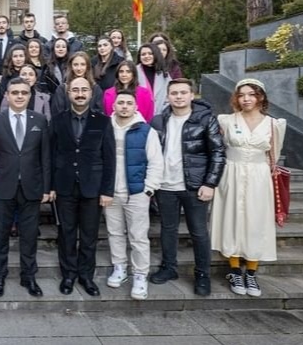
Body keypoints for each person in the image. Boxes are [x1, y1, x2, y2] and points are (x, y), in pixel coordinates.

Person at [149, 78, 226, 296]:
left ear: (192, 95)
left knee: (199, 232)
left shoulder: (206, 119)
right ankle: (169, 268)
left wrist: (210, 183)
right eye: (174, 93)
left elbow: (218, 153)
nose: (179, 97)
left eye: (183, 92)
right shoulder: (158, 121)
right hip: (165, 185)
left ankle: (202, 275)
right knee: (168, 229)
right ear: (168, 97)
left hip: (194, 185)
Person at [210, 78, 286, 297]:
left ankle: (251, 272)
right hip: (231, 174)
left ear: (260, 97)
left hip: (259, 176)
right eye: (242, 95)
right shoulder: (226, 121)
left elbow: (274, 155)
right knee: (231, 220)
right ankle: (234, 270)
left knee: (256, 222)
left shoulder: (273, 124)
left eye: (251, 94)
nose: (246, 99)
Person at [0, 77, 51, 298]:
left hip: (32, 187)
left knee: (29, 236)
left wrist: (46, 188)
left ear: (30, 95)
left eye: (24, 92)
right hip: (3, 186)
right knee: (0, 235)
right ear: (7, 95)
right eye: (15, 92)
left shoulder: (40, 120)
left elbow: (45, 157)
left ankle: (29, 276)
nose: (20, 96)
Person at [52, 77, 116, 297]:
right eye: (75, 90)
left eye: (84, 90)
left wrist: (107, 190)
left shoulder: (103, 121)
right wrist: (50, 186)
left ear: (91, 93)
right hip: (64, 186)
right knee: (66, 233)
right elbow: (51, 154)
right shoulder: (57, 120)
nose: (80, 94)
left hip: (93, 188)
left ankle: (86, 276)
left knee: (89, 235)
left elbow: (109, 158)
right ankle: (68, 275)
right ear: (68, 93)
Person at [104, 90, 163, 300]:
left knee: (138, 236)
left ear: (136, 107)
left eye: (129, 103)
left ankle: (140, 275)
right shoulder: (106, 128)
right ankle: (119, 267)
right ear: (114, 106)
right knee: (114, 232)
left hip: (137, 192)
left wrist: (149, 189)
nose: (124, 106)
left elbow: (156, 162)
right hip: (111, 193)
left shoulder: (146, 131)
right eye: (121, 102)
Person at [136, 43, 170, 115]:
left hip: (160, 115)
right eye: (143, 54)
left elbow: (169, 95)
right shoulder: (134, 72)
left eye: (150, 53)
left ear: (156, 54)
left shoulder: (165, 74)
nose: (146, 56)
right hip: (139, 115)